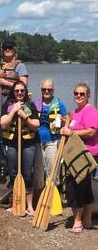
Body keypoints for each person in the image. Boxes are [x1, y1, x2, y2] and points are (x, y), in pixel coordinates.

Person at [61, 82, 98, 232]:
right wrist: (66, 123)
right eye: (76, 93)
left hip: (86, 154)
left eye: (82, 94)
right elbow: (73, 126)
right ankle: (87, 220)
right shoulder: (75, 112)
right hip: (76, 155)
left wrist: (71, 133)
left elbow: (91, 132)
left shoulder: (90, 111)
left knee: (76, 188)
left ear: (88, 96)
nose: (78, 96)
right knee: (85, 188)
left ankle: (78, 221)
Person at [0, 40, 29, 183]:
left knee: (12, 136)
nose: (7, 50)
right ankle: (1, 170)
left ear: (14, 50)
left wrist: (5, 82)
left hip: (11, 105)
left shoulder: (20, 66)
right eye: (5, 48)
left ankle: (14, 168)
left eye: (10, 48)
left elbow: (24, 85)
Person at [0, 81, 39, 215]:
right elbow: (3, 124)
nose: (20, 93)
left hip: (28, 144)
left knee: (27, 174)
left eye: (22, 90)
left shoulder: (31, 105)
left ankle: (29, 206)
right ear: (13, 92)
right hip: (11, 144)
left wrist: (24, 116)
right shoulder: (8, 105)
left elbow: (35, 125)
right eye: (17, 91)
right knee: (12, 173)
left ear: (25, 91)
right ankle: (14, 203)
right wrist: (14, 111)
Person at [34, 78, 67, 189]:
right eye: (44, 89)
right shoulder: (35, 103)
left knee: (52, 170)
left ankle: (53, 195)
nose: (46, 92)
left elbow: (67, 120)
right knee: (38, 171)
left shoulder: (59, 104)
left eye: (49, 89)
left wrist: (63, 121)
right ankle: (39, 197)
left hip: (52, 140)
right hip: (37, 141)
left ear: (53, 90)